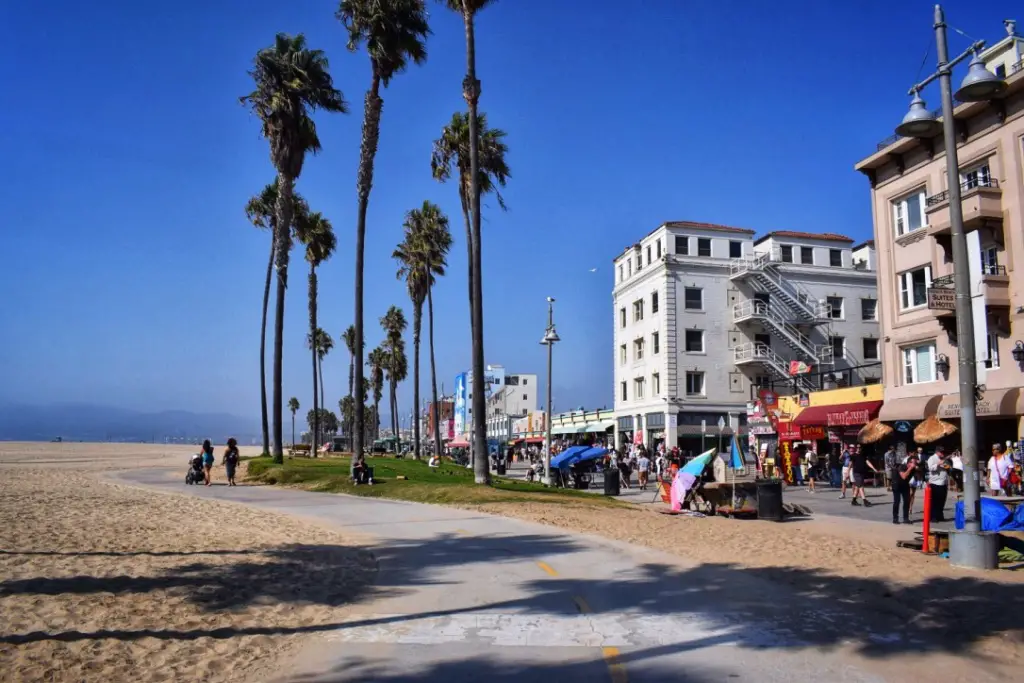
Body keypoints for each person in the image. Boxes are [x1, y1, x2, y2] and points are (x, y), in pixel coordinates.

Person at [892, 452, 918, 525]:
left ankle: (906, 518)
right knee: (897, 501)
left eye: (915, 463)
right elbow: (903, 476)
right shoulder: (902, 467)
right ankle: (895, 518)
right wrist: (910, 468)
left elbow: (917, 475)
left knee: (907, 501)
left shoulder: (913, 469)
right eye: (913, 463)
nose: (914, 464)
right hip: (896, 484)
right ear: (909, 463)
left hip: (905, 485)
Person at [926, 447, 950, 522]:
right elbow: (930, 468)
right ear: (937, 452)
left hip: (943, 482)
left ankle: (940, 515)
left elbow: (947, 467)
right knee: (934, 501)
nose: (942, 453)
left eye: (943, 452)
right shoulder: (932, 458)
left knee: (942, 500)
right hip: (935, 483)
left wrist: (947, 465)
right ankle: (933, 517)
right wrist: (938, 464)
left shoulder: (944, 459)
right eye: (941, 452)